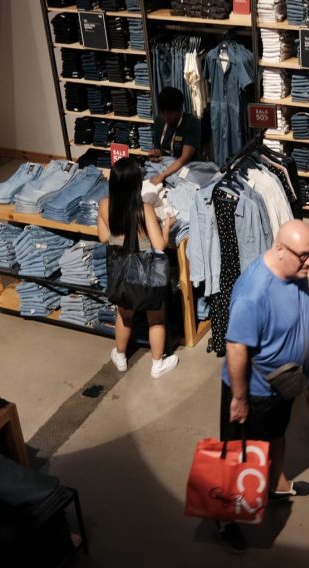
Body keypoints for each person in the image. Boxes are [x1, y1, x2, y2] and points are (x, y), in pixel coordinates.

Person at [218, 220, 309, 552]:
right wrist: (239, 398)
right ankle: (226, 518)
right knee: (240, 455)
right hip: (254, 392)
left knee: (277, 434)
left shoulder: (295, 271)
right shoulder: (254, 292)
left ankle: (277, 485)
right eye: (304, 255)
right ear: (279, 249)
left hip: (285, 383)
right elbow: (236, 347)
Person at [97, 159, 179, 379]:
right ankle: (157, 364)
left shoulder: (104, 205)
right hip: (146, 272)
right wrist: (167, 226)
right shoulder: (144, 209)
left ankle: (120, 357)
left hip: (121, 272)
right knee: (156, 318)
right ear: (136, 185)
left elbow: (103, 237)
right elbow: (159, 245)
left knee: (124, 315)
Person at [148, 87, 202, 186]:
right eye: (163, 113)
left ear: (180, 110)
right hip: (164, 165)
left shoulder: (192, 123)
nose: (166, 117)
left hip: (187, 167)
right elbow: (160, 149)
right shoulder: (159, 121)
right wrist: (155, 154)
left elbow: (185, 158)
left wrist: (162, 176)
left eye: (170, 114)